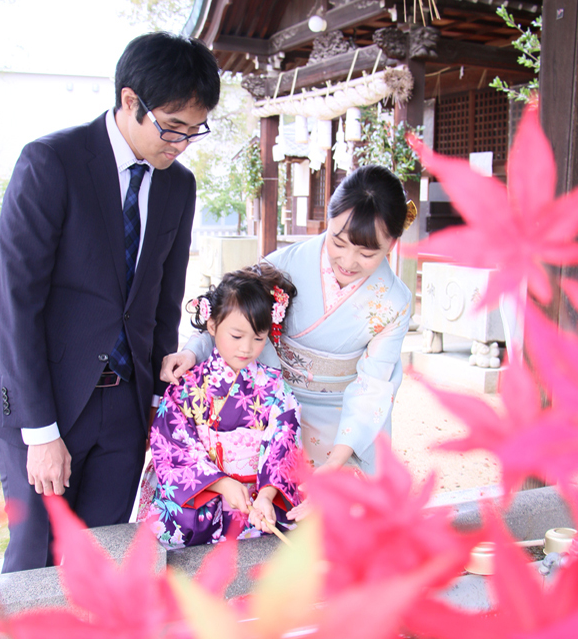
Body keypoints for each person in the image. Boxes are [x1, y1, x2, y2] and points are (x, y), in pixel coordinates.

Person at [0, 32, 220, 572]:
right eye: (172, 127)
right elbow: (16, 304)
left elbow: (163, 295)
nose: (180, 143)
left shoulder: (178, 186)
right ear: (130, 101)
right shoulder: (51, 163)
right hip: (46, 402)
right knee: (35, 557)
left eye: (193, 130)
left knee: (101, 554)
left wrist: (160, 398)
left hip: (125, 404)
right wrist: (40, 432)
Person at [164, 165, 414, 483]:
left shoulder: (394, 301)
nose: (349, 261)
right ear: (329, 222)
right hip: (274, 406)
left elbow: (373, 385)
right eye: (339, 243)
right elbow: (232, 317)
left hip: (345, 420)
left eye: (367, 253)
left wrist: (338, 456)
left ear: (391, 243)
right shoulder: (285, 265)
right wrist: (192, 352)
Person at [137, 264, 302, 548]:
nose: (246, 348)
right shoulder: (186, 388)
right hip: (200, 500)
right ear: (212, 325)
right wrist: (222, 484)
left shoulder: (275, 387)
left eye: (258, 337)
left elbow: (283, 445)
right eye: (237, 336)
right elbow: (171, 447)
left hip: (257, 503)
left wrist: (266, 495)